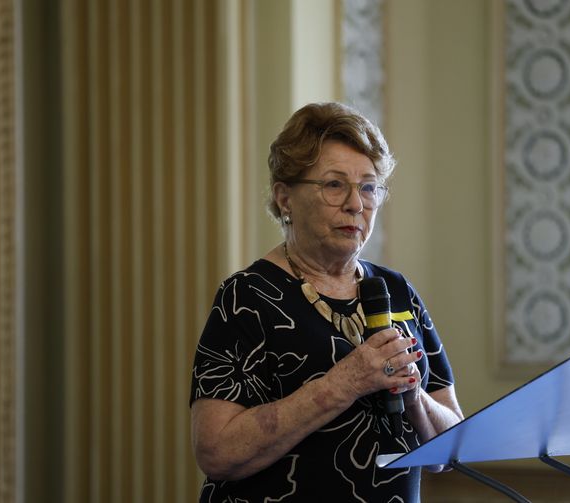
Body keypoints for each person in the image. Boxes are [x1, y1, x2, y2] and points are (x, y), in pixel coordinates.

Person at [189, 102, 463, 502]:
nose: (356, 204)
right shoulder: (247, 296)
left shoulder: (397, 290)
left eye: (369, 186)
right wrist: (345, 382)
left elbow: (451, 450)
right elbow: (216, 451)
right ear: (285, 198)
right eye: (335, 185)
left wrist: (413, 395)